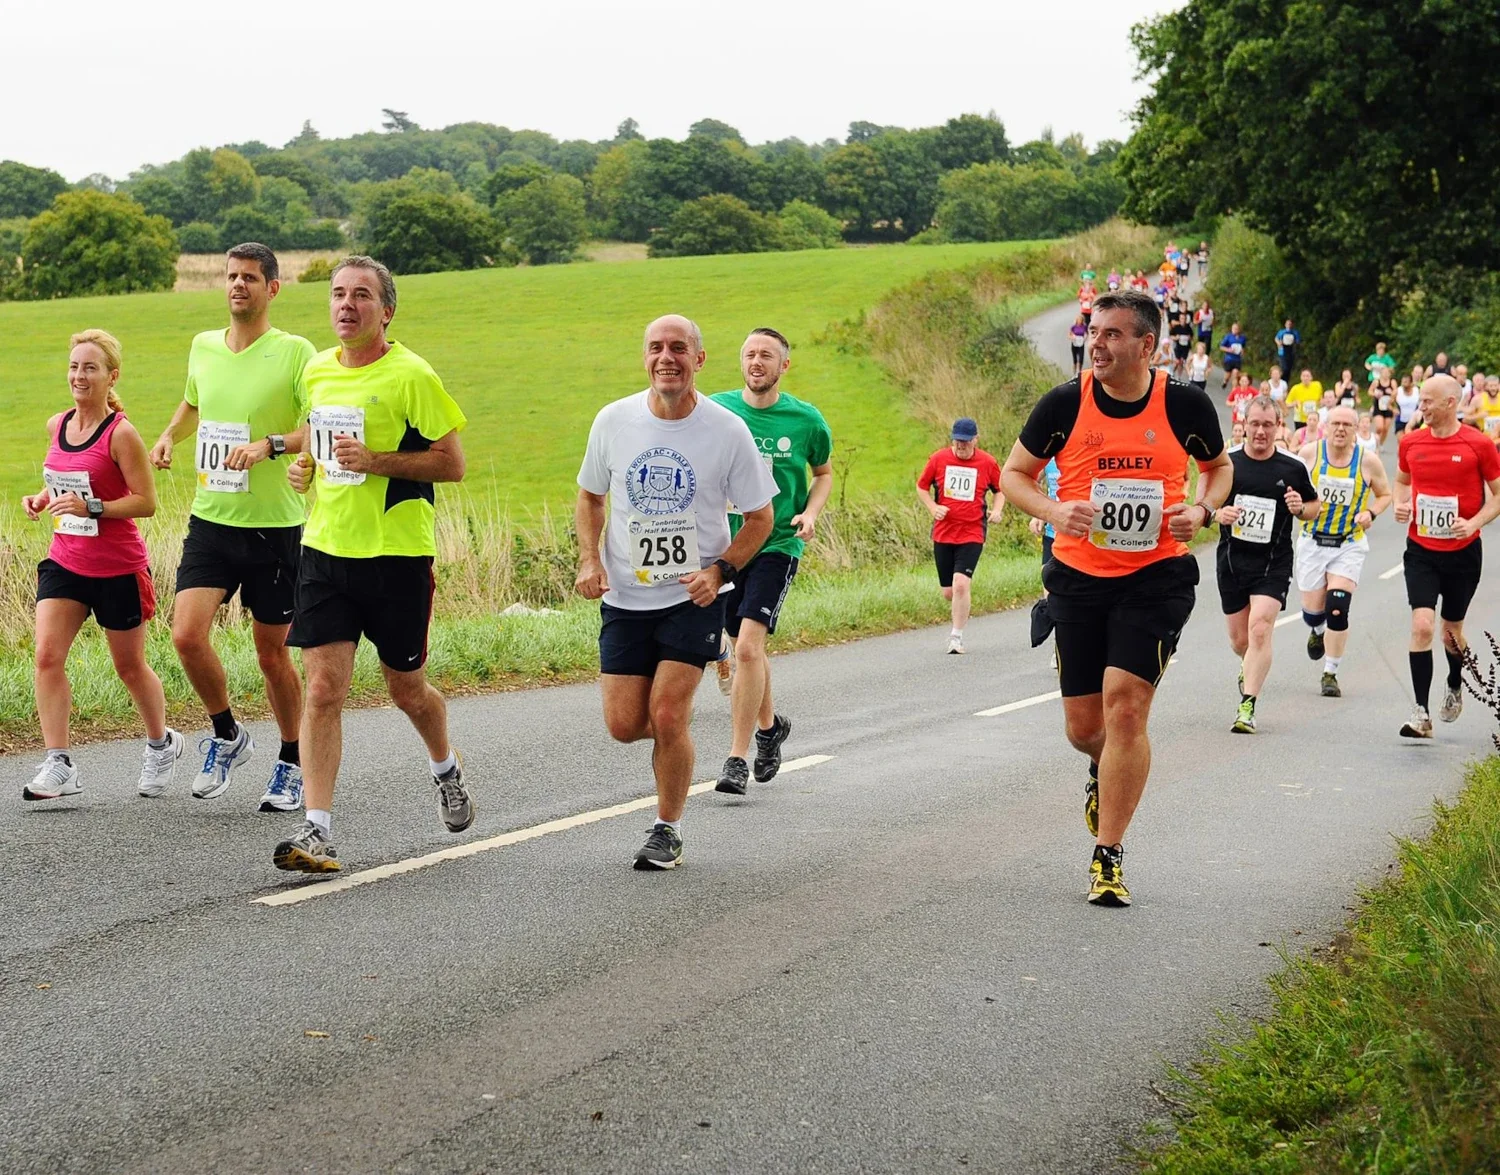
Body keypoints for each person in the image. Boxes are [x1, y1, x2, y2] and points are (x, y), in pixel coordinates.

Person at [1001, 289, 1230, 908]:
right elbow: (1012, 475)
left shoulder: (1183, 404)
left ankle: (1109, 855)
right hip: (1077, 577)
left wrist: (1201, 509)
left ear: (1146, 345)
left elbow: (1218, 468)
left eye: (1110, 335)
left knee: (1126, 708)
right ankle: (1104, 772)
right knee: (1085, 729)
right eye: (1092, 331)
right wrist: (1054, 510)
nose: (1095, 344)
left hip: (1156, 576)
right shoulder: (1063, 403)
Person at [272, 256, 473, 873]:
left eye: (361, 296)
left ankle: (446, 769)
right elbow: (316, 440)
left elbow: (452, 462)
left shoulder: (412, 374)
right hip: (325, 551)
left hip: (396, 558)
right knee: (325, 689)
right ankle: (318, 829)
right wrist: (302, 469)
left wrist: (377, 462)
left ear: (385, 311)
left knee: (406, 691)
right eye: (337, 294)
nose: (345, 305)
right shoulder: (317, 369)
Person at [577, 315, 774, 869]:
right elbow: (591, 497)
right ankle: (679, 740)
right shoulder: (614, 420)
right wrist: (590, 558)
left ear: (699, 359)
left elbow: (761, 516)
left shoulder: (726, 429)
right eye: (657, 348)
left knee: (667, 715)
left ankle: (668, 828)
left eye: (679, 348)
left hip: (694, 599)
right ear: (645, 358)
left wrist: (721, 571)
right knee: (623, 726)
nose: (667, 358)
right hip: (625, 597)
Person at [148, 243, 314, 810]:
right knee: (186, 635)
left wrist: (267, 446)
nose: (237, 285)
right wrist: (171, 433)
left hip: (274, 528)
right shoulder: (202, 345)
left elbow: (315, 427)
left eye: (249, 277)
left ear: (273, 287)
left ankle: (292, 759)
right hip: (212, 520)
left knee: (273, 655)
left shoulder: (294, 352)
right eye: (231, 277)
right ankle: (227, 735)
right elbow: (194, 401)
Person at [22, 330, 184, 802]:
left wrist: (91, 508)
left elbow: (146, 502)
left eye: (90, 368)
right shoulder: (58, 424)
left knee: (129, 666)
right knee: (47, 656)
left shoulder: (122, 434)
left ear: (111, 375)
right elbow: (61, 482)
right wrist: (43, 498)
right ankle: (59, 764)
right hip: (65, 561)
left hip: (117, 567)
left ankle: (161, 743)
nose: (79, 376)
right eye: (74, 366)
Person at [709, 327, 832, 797]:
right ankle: (769, 728)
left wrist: (811, 511)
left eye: (767, 356)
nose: (756, 362)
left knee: (744, 650)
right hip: (726, 545)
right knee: (745, 645)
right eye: (749, 354)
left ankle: (736, 757)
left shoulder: (805, 420)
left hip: (778, 544)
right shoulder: (717, 409)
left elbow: (822, 473)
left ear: (784, 365)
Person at [1393, 375, 1500, 738]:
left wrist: (1473, 523)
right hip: (1421, 549)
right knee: (1421, 625)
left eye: (1427, 402)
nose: (1420, 407)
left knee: (1451, 633)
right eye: (1420, 401)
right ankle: (1421, 714)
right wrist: (1399, 504)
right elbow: (1402, 481)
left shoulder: (1479, 444)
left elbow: (1498, 495)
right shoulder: (1411, 442)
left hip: (1463, 553)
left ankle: (1455, 682)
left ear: (1451, 403)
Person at [1216, 396, 1320, 733]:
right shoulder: (1225, 464)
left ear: (1279, 427)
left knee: (1260, 628)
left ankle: (1247, 707)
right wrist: (1219, 514)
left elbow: (1312, 506)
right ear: (1244, 425)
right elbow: (1203, 506)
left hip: (1272, 563)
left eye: (1268, 425)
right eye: (1255, 424)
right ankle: (1248, 666)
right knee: (1239, 641)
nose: (1261, 431)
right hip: (1232, 562)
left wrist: (1298, 508)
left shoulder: (1292, 467)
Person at [1295, 404, 1392, 698]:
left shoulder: (1368, 461)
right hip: (1313, 540)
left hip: (1348, 543)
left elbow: (1385, 493)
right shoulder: (1309, 454)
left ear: (1355, 430)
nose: (1340, 429)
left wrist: (1371, 514)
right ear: (1326, 426)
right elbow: (1290, 486)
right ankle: (1317, 630)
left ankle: (1330, 672)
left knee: (1338, 606)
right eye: (1335, 423)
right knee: (1314, 613)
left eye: (1346, 425)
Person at [917, 418, 1004, 654]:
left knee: (961, 584)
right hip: (944, 533)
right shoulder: (938, 459)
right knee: (949, 591)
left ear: (976, 439)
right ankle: (961, 607)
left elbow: (1000, 490)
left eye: (965, 442)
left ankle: (956, 637)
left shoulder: (987, 462)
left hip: (972, 532)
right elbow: (922, 487)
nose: (960, 446)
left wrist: (997, 510)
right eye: (957, 441)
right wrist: (933, 508)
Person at [1371, 368, 1397, 447]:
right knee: (1380, 427)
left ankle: (1380, 444)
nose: (1385, 374)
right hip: (1378, 406)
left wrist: (1392, 394)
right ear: (1381, 373)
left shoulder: (1392, 382)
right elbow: (1370, 391)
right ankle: (1373, 441)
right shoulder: (1376, 382)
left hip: (1388, 407)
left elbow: (1396, 392)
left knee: (1386, 429)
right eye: (1384, 372)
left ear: (1390, 374)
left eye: (1387, 372)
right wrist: (1375, 394)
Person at [1169, 313, 1194, 380]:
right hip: (1178, 346)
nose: (1183, 320)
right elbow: (1171, 336)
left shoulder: (1188, 327)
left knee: (1182, 362)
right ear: (1179, 319)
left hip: (1186, 347)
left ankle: (1179, 377)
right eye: (1182, 318)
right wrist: (1176, 337)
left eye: (1184, 318)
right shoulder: (1176, 327)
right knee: (1177, 361)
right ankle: (1172, 372)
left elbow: (1192, 337)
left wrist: (1189, 338)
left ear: (1186, 319)